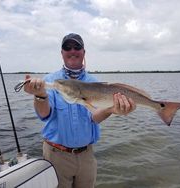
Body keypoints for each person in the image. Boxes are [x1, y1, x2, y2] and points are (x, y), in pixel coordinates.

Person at [24, 33, 136, 188]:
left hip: (86, 156)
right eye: (67, 47)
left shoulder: (94, 83)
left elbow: (94, 117)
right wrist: (40, 95)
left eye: (77, 47)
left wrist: (112, 109)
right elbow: (44, 114)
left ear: (84, 52)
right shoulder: (51, 80)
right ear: (62, 53)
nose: (72, 50)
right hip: (56, 155)